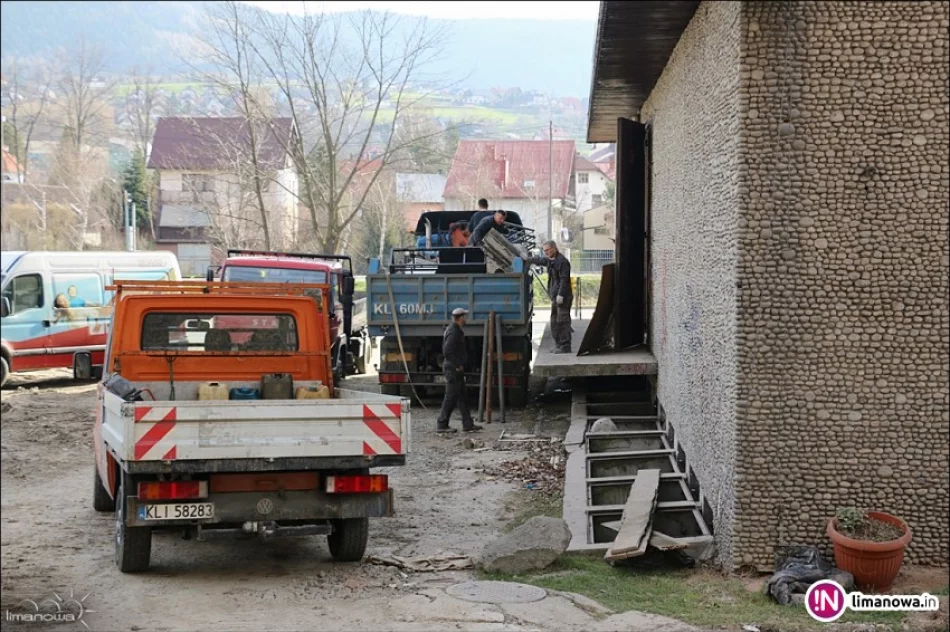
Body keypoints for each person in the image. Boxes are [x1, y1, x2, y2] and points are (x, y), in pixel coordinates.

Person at [436, 307, 482, 433]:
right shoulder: (454, 331)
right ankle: (442, 424)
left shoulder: (454, 329)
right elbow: (447, 351)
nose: (465, 319)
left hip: (455, 369)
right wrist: (457, 364)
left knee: (462, 396)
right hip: (453, 369)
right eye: (464, 317)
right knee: (450, 397)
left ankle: (468, 424)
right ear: (460, 318)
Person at [525, 240, 573, 354]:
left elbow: (564, 280)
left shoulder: (562, 262)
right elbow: (541, 260)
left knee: (562, 321)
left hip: (563, 298)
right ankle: (558, 344)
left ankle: (565, 346)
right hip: (555, 297)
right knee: (554, 322)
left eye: (547, 250)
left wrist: (561, 295)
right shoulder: (551, 260)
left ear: (554, 248)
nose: (545, 252)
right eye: (544, 250)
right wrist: (527, 259)